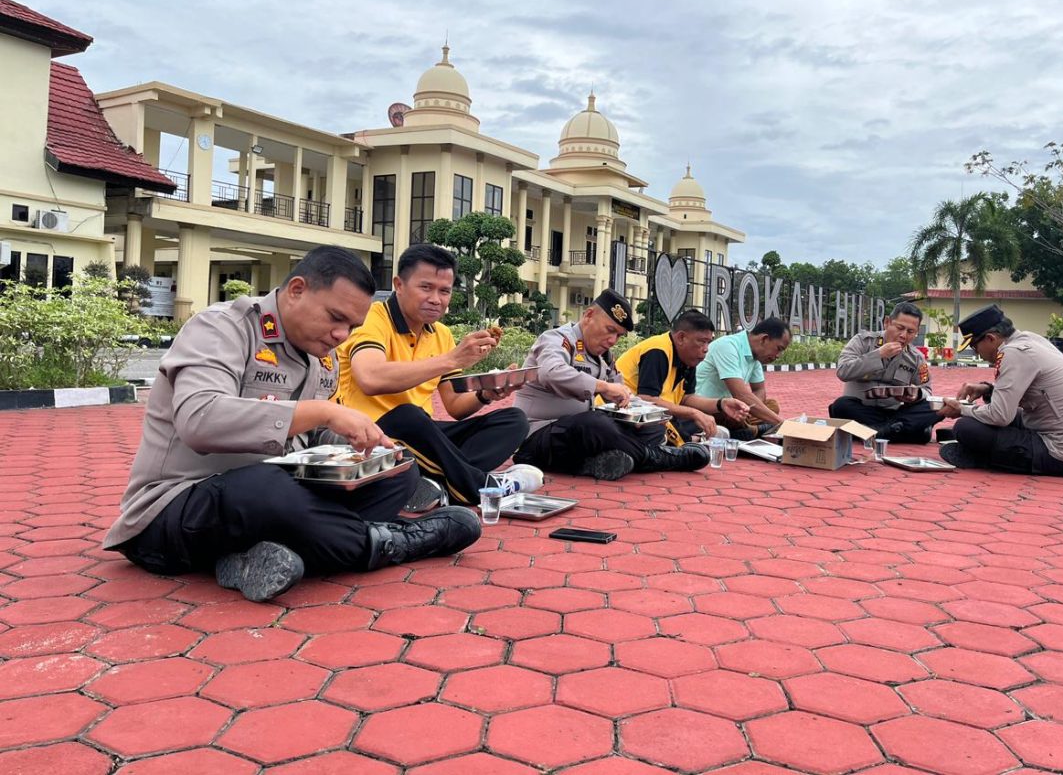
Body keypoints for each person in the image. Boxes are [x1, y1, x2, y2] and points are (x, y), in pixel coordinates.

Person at [104, 246, 481, 603]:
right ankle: (394, 542)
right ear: (297, 290)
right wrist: (323, 412)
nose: (341, 336)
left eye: (351, 326)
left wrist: (361, 442)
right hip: (175, 508)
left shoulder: (321, 355)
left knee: (397, 471)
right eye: (335, 318)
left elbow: (314, 435)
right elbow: (200, 419)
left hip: (274, 499)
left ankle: (250, 560)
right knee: (267, 486)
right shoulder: (224, 328)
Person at [335, 243, 539, 507]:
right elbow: (370, 378)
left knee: (513, 420)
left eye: (445, 291)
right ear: (399, 284)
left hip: (422, 438)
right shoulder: (373, 319)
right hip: (370, 434)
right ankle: (480, 488)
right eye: (426, 287)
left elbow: (455, 407)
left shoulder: (440, 333)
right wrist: (451, 359)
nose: (436, 299)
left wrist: (486, 393)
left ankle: (436, 483)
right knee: (410, 416)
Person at [513, 289, 710, 480]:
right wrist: (603, 387)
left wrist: (645, 416)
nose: (612, 340)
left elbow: (623, 396)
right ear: (589, 315)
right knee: (594, 424)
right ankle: (660, 458)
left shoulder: (604, 357)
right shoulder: (557, 340)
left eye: (619, 335)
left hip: (577, 436)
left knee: (651, 428)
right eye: (610, 330)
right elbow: (551, 372)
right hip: (539, 437)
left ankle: (596, 464)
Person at [936, 304, 1063, 477]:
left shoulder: (1014, 353)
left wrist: (961, 409)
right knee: (982, 422)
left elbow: (1000, 415)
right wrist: (988, 390)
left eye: (974, 346)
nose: (977, 354)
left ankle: (984, 458)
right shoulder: (1030, 340)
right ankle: (988, 451)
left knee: (966, 428)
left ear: (990, 338)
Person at [616, 309, 751, 443]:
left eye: (708, 342)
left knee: (702, 419)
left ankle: (691, 439)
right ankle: (691, 440)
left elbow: (686, 398)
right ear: (681, 337)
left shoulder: (687, 358)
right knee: (663, 427)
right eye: (702, 341)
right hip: (624, 413)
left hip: (657, 413)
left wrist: (722, 404)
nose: (706, 349)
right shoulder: (657, 351)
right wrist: (694, 413)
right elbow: (646, 399)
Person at [828, 302, 941, 444]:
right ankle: (906, 432)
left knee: (936, 407)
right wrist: (878, 355)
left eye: (910, 332)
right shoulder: (862, 342)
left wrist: (917, 394)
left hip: (894, 412)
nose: (903, 335)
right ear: (887, 322)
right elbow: (843, 371)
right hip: (862, 410)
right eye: (900, 328)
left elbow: (927, 390)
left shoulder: (916, 358)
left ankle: (874, 432)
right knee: (840, 406)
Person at [694, 317, 791, 438]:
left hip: (731, 407)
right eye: (779, 349)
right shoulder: (728, 346)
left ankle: (750, 430)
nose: (778, 356)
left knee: (772, 405)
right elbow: (741, 394)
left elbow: (759, 390)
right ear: (764, 339)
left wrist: (747, 409)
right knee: (734, 414)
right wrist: (782, 424)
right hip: (708, 407)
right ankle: (751, 431)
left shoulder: (755, 357)